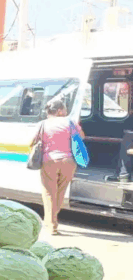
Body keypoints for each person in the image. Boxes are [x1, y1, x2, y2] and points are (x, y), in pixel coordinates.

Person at [32, 98, 84, 235]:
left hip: (49, 161)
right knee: (60, 192)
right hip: (68, 161)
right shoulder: (70, 122)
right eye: (65, 109)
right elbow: (82, 137)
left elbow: (31, 141)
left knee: (49, 193)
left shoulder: (43, 124)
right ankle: (52, 221)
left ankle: (51, 225)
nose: (66, 111)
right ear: (60, 111)